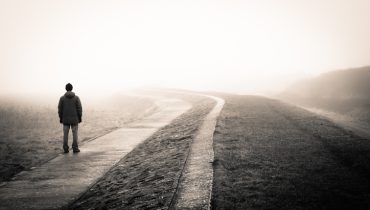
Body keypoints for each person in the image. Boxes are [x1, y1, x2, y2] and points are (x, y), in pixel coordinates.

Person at [58, 83, 83, 153]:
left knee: (65, 134)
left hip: (65, 119)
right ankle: (75, 148)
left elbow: (60, 109)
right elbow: (79, 108)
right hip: (75, 119)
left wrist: (60, 118)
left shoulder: (62, 98)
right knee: (75, 134)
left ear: (66, 89)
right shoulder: (76, 98)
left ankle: (65, 148)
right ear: (72, 88)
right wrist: (80, 117)